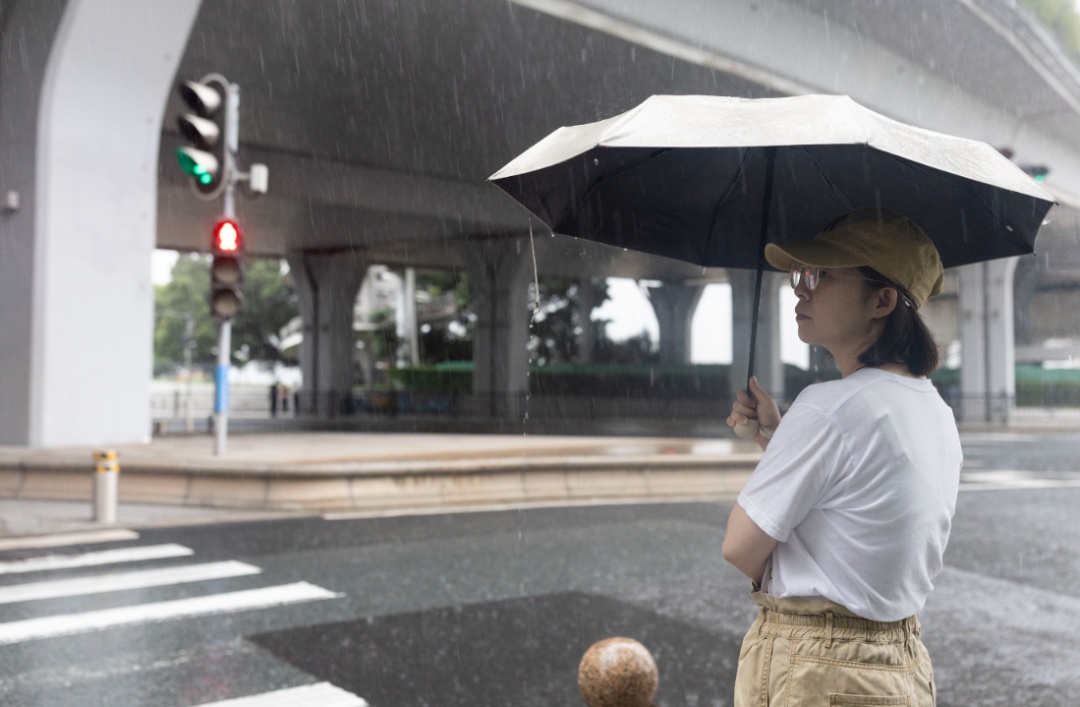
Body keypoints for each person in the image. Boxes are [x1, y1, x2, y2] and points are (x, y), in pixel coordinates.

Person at [722, 209, 962, 706]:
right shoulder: (935, 410)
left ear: (882, 300)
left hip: (818, 666)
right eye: (801, 275)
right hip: (900, 663)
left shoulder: (828, 406)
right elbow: (860, 509)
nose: (800, 291)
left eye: (822, 276)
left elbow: (740, 546)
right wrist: (779, 438)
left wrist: (791, 438)